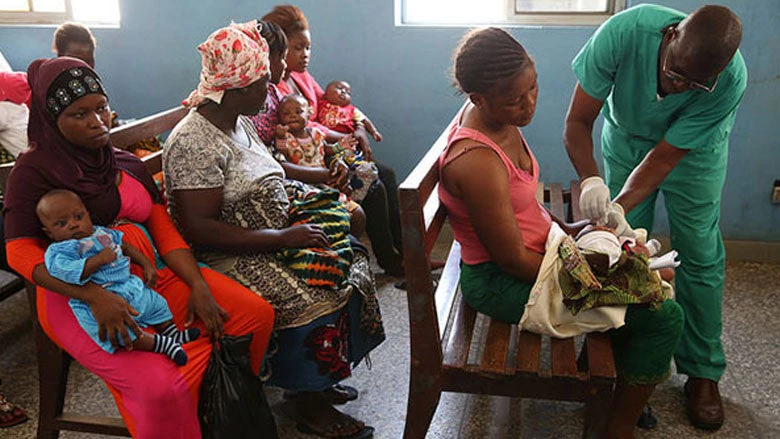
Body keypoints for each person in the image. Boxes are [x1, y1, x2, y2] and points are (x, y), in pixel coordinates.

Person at [3, 57, 275, 438]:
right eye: (79, 114)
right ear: (52, 120)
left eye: (101, 107)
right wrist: (94, 295)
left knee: (251, 315)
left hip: (147, 277)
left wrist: (197, 285)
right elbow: (18, 251)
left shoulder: (125, 163)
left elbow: (164, 233)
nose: (97, 122)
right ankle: (176, 414)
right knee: (160, 388)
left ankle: (216, 414)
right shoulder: (33, 172)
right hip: (79, 299)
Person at [442, 27, 684, 438]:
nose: (529, 104)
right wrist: (600, 278)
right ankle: (617, 428)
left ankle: (610, 379)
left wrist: (573, 228)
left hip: (541, 253)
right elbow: (513, 260)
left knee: (643, 260)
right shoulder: (476, 161)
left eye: (532, 88)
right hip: (502, 280)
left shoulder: (498, 120)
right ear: (478, 98)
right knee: (662, 313)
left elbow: (523, 205)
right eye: (514, 99)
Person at [163, 20, 382, 439]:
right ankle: (309, 404)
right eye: (263, 81)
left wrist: (320, 177)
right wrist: (283, 238)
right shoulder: (194, 140)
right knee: (311, 296)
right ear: (237, 86)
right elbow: (200, 228)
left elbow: (273, 166)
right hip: (230, 253)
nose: (271, 88)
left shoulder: (237, 119)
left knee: (346, 254)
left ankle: (319, 379)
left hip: (272, 231)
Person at [563, 4, 746, 430]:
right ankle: (626, 368)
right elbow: (577, 120)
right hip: (626, 139)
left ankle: (702, 372)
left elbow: (663, 158)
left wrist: (620, 205)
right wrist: (592, 182)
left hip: (692, 155)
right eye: (674, 73)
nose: (679, 87)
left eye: (694, 84)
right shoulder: (625, 33)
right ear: (670, 35)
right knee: (624, 251)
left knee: (699, 255)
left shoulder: (729, 80)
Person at [263, 5, 404, 277]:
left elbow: (330, 105)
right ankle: (390, 260)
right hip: (305, 157)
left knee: (387, 174)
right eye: (297, 48)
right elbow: (305, 124)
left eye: (308, 47)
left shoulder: (301, 77)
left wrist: (360, 125)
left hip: (323, 150)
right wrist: (346, 136)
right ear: (279, 49)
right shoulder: (274, 88)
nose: (305, 55)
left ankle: (404, 251)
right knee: (374, 185)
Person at [38, 189, 201, 365]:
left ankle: (172, 333)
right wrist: (98, 260)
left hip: (128, 284)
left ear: (88, 214)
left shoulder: (100, 233)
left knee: (157, 304)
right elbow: (68, 272)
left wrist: (146, 264)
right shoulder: (61, 250)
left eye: (78, 217)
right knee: (120, 332)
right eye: (61, 223)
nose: (73, 225)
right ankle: (160, 345)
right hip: (100, 298)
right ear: (49, 233)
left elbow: (124, 247)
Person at [276, 94, 377, 204]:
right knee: (333, 199)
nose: (292, 116)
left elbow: (325, 149)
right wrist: (280, 137)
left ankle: (351, 202)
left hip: (324, 176)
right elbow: (282, 153)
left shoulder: (315, 134)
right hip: (303, 180)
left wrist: (340, 146)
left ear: (309, 113)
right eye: (286, 113)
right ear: (279, 117)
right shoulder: (286, 137)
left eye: (298, 112)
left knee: (348, 191)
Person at [317, 80, 383, 142]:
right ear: (326, 92)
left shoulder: (352, 110)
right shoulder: (320, 103)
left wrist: (374, 132)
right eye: (339, 88)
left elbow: (364, 120)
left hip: (346, 139)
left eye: (348, 93)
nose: (343, 92)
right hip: (324, 137)